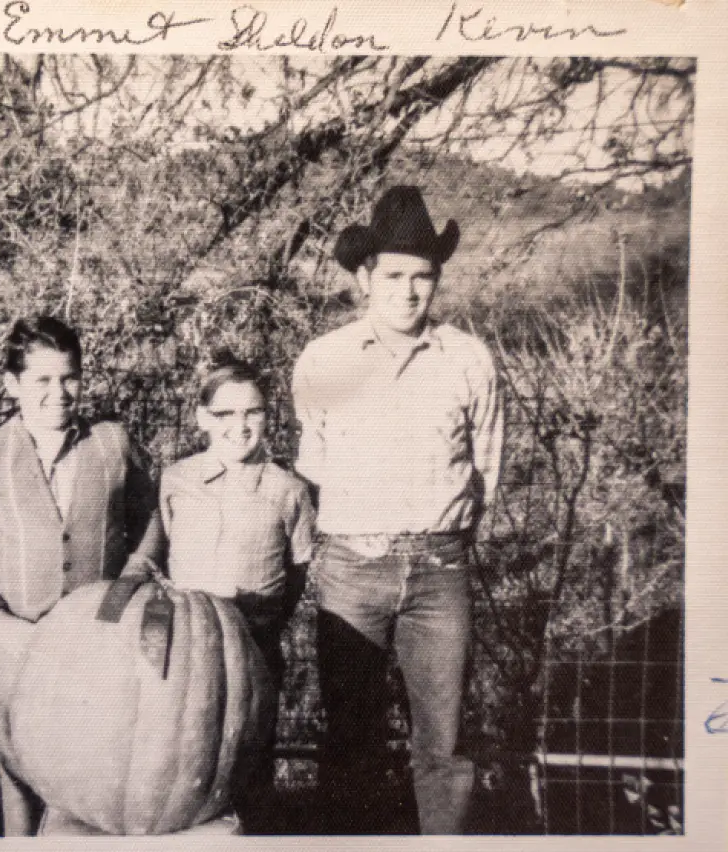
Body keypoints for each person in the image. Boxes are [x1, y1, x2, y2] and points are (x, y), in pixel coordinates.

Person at [291, 185, 504, 834]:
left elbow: (486, 473)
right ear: (364, 278)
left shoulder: (468, 360)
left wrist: (448, 547)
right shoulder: (325, 360)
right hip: (351, 572)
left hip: (440, 574)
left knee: (443, 744)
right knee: (349, 739)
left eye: (423, 278)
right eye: (394, 276)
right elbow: (314, 468)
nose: (410, 292)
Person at [0, 316, 156, 837]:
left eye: (69, 378)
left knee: (93, 778)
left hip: (97, 647)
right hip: (16, 649)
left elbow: (151, 526)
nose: (59, 393)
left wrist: (117, 602)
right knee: (19, 777)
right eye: (42, 380)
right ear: (12, 384)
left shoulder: (114, 444)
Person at [133, 354, 316, 833]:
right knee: (183, 765)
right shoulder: (176, 480)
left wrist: (263, 619)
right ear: (201, 418)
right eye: (225, 414)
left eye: (252, 412)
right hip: (187, 652)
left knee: (249, 762)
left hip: (255, 647)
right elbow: (160, 550)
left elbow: (296, 573)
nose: (240, 425)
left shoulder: (288, 489)